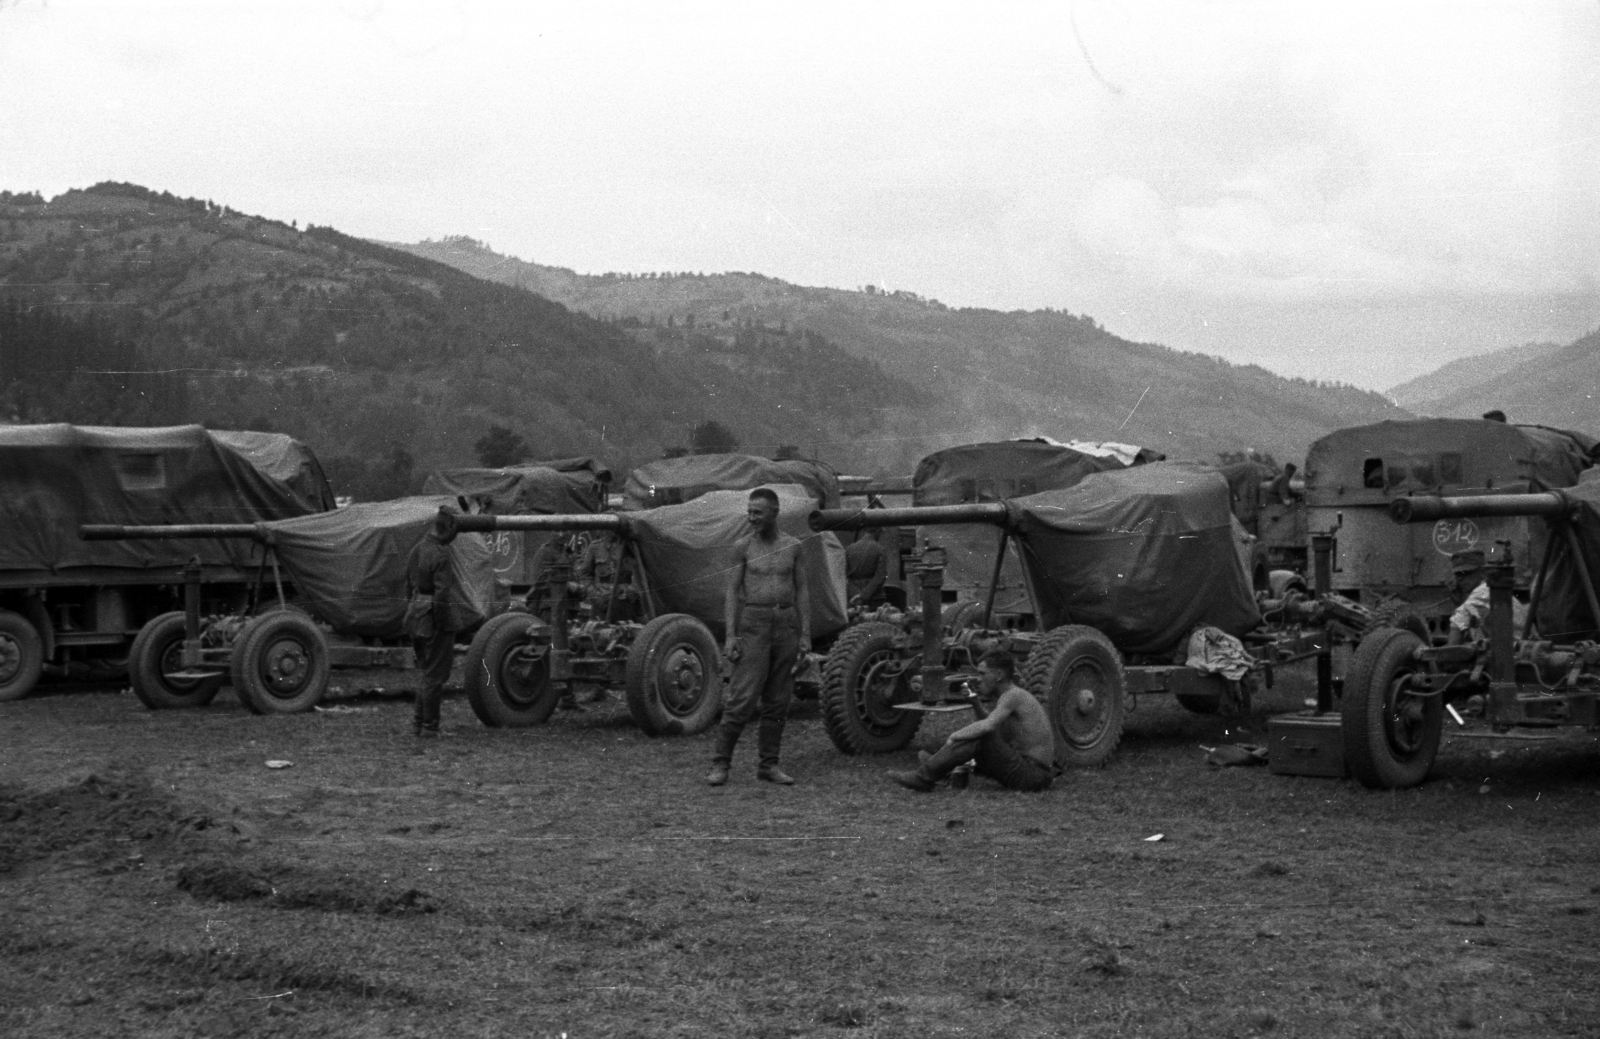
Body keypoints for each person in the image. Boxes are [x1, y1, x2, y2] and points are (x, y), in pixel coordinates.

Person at [706, 488, 810, 787]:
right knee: (742, 699)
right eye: (749, 512)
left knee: (778, 701)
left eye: (758, 513)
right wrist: (730, 636)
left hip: (786, 624)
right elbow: (731, 592)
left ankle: (769, 765)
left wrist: (805, 635)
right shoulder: (743, 547)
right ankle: (720, 764)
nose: (751, 518)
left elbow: (802, 590)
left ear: (775, 513)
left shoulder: (793, 547)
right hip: (754, 623)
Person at [887, 648, 1055, 792]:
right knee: (979, 737)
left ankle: (924, 776)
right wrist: (975, 703)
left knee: (978, 736)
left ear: (998, 675)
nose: (978, 679)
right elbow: (995, 733)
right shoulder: (1011, 696)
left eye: (982, 673)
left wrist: (956, 736)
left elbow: (987, 728)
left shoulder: (1013, 696)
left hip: (1033, 776)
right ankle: (940, 768)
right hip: (1033, 773)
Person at [404, 507, 463, 736]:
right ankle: (430, 727)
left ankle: (420, 723)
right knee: (436, 675)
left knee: (426, 673)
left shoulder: (417, 549)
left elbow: (409, 586)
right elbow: (442, 595)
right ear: (447, 529)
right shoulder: (441, 553)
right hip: (434, 618)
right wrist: (441, 622)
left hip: (416, 614)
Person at [1446, 549, 1528, 644]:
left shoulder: (1484, 590)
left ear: (1483, 572)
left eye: (1467, 573)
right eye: (1458, 574)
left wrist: (1443, 657)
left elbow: (1458, 623)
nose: (1460, 579)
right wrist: (1460, 602)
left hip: (1518, 651)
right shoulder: (1477, 597)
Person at [576, 530, 640, 621]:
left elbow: (640, 572)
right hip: (601, 604)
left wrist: (631, 591)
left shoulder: (630, 546)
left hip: (625, 604)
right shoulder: (595, 547)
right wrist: (594, 595)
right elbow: (584, 575)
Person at [844, 528, 888, 608]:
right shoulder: (880, 549)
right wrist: (863, 595)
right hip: (874, 598)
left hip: (853, 599)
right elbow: (881, 575)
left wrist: (856, 594)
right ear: (877, 532)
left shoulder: (849, 549)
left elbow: (844, 576)